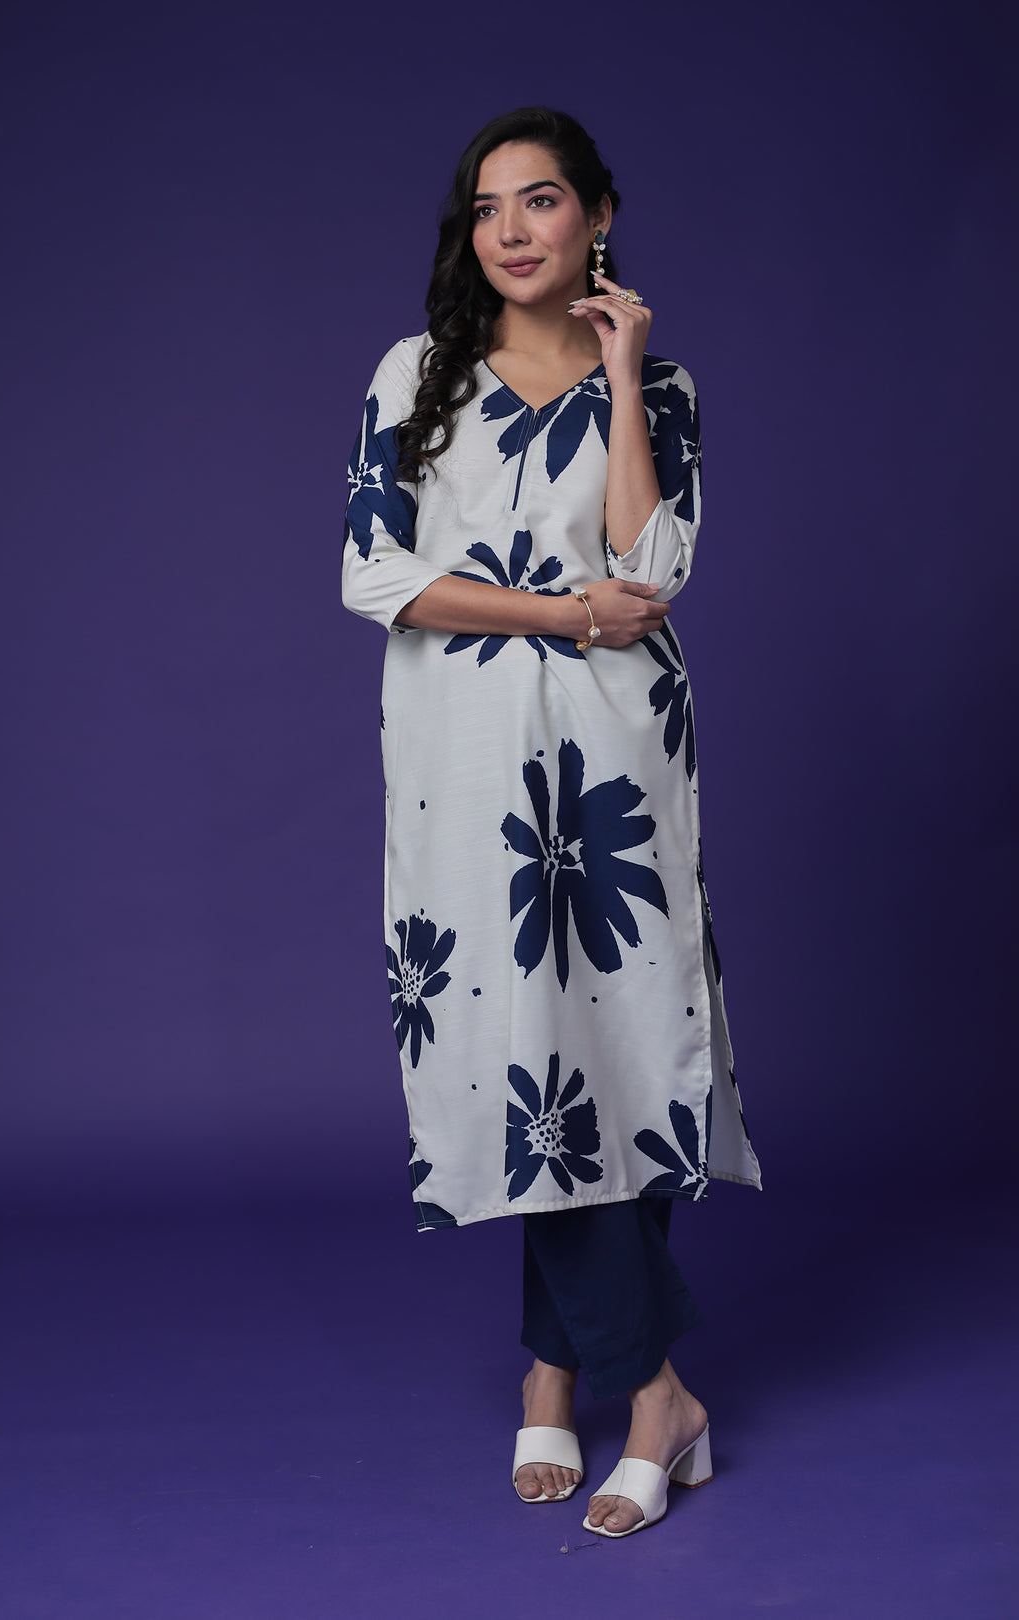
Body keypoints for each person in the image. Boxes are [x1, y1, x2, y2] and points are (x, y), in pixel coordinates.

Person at [341, 105, 762, 1539]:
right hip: (464, 759)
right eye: (486, 207)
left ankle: (567, 1374)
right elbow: (377, 575)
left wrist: (625, 370)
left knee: (621, 1048)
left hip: (618, 756)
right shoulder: (417, 373)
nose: (510, 230)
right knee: (527, 1051)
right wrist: (565, 613)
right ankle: (652, 1387)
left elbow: (655, 564)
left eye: (539, 200)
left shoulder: (666, 385)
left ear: (598, 214)